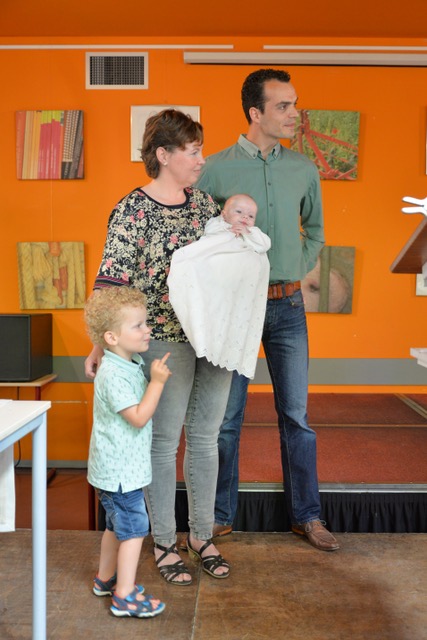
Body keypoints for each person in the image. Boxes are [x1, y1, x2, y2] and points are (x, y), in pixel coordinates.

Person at [85, 109, 232, 584]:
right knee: (164, 444)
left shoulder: (206, 206)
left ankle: (202, 536)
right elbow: (110, 283)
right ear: (164, 154)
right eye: (193, 151)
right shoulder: (133, 210)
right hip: (164, 340)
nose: (202, 159)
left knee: (207, 439)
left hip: (214, 340)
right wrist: (98, 343)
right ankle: (165, 541)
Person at [197, 68, 340, 551]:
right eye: (283, 106)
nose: (294, 113)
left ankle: (308, 517)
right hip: (234, 311)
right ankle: (218, 517)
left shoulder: (303, 168)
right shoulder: (214, 170)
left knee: (297, 417)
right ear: (255, 113)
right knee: (226, 420)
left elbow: (315, 231)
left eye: (294, 103)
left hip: (288, 307)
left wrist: (295, 266)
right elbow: (198, 239)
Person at [85, 286, 169, 618]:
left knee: (113, 525)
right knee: (134, 529)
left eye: (145, 323)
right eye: (138, 325)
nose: (147, 329)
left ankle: (105, 579)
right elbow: (138, 417)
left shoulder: (128, 363)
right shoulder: (113, 375)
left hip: (116, 470)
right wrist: (157, 383)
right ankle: (124, 596)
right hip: (120, 474)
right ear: (111, 337)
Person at [167, 194, 271, 379]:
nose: (244, 218)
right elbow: (209, 234)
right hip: (215, 275)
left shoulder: (254, 233)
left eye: (250, 216)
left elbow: (264, 245)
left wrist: (247, 233)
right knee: (188, 261)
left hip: (234, 285)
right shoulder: (218, 224)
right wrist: (228, 230)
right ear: (224, 214)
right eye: (239, 212)